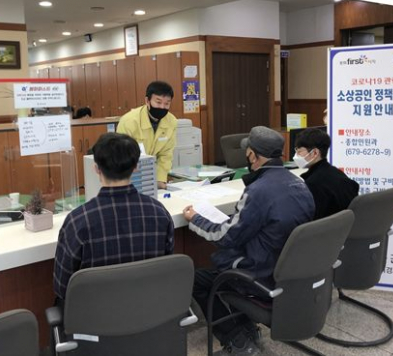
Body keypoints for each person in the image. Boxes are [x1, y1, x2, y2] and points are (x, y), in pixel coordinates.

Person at [183, 126, 315, 355]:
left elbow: (225, 237)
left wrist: (195, 218)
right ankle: (247, 328)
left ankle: (236, 339)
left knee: (196, 279)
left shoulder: (258, 190)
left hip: (260, 275)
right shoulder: (299, 184)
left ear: (253, 155)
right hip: (289, 272)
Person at [53, 132, 174, 301]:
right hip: (149, 308)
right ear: (136, 167)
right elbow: (166, 270)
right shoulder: (159, 213)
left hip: (95, 314)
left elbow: (62, 288)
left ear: (96, 168)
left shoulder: (78, 221)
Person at [117, 81, 177, 189]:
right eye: (158, 102)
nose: (162, 107)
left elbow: (166, 155)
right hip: (128, 175)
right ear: (147, 101)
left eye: (167, 104)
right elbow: (122, 156)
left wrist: (160, 179)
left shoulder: (171, 122)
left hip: (150, 176)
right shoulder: (129, 121)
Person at [294, 128, 359, 220]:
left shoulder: (313, 183)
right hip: (347, 225)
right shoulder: (336, 173)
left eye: (299, 151)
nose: (296, 155)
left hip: (330, 227)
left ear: (315, 153)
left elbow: (313, 220)